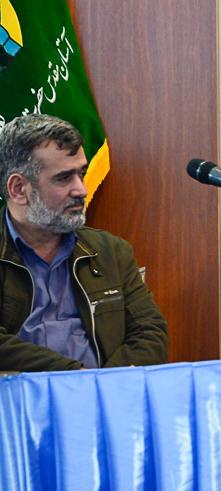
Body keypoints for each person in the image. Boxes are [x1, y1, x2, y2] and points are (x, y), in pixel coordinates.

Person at [0, 114, 168, 371]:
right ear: (19, 189)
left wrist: (103, 385)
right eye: (63, 178)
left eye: (82, 174)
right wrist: (74, 377)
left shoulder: (111, 250)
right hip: (22, 395)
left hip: (107, 390)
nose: (81, 190)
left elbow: (150, 333)